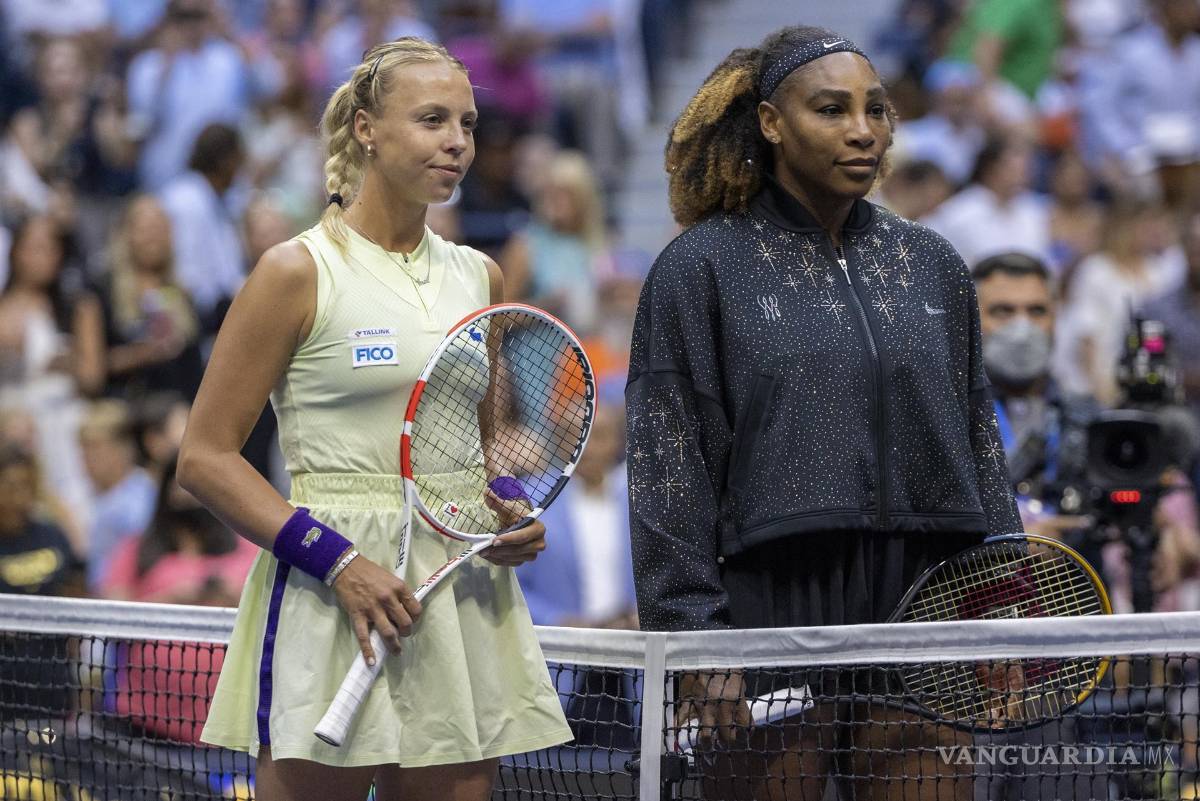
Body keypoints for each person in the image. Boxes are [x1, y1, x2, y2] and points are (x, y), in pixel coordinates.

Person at [625, 25, 1022, 800]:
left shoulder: (933, 263)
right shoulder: (698, 268)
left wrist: (999, 602)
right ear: (772, 123)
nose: (863, 130)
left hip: (925, 602)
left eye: (877, 111)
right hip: (769, 607)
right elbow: (669, 472)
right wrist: (696, 646)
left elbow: (980, 440)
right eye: (832, 110)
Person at [177, 37, 570, 801]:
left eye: (467, 123)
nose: (456, 141)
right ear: (365, 129)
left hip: (460, 593)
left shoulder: (479, 274)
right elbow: (204, 457)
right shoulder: (295, 270)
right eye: (431, 120)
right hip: (333, 586)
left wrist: (505, 510)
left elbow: (473, 453)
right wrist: (338, 562)